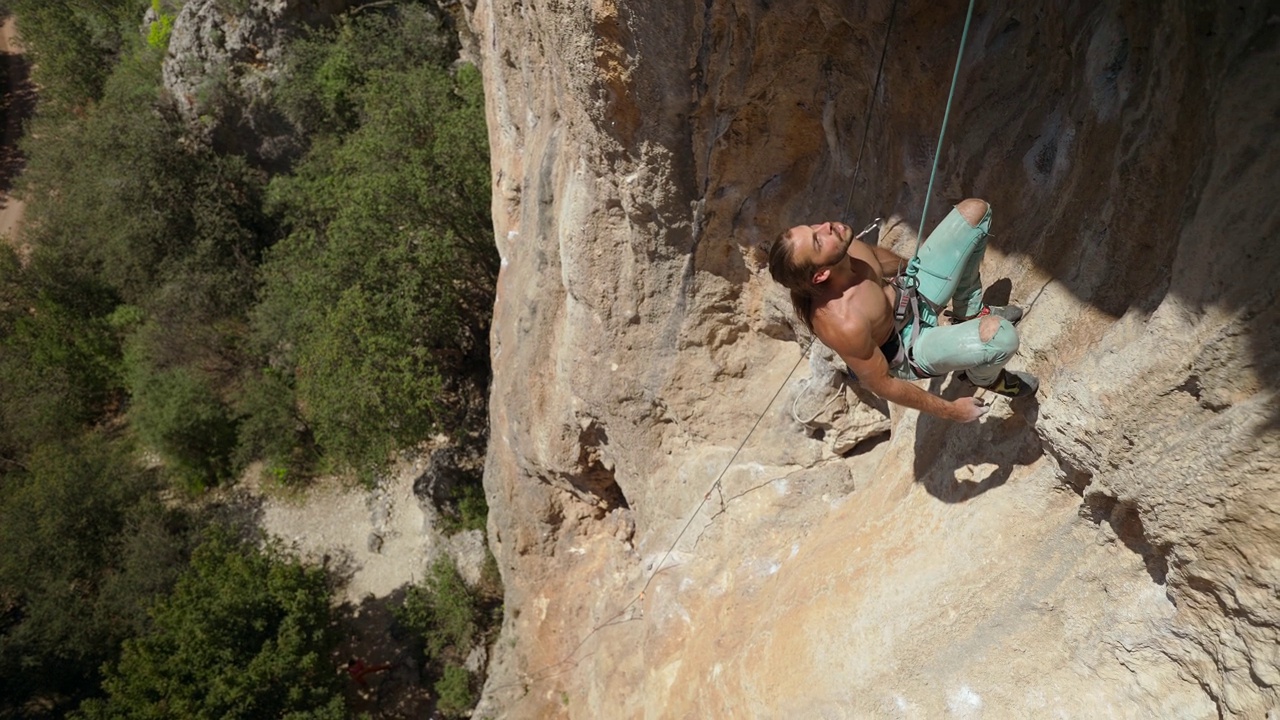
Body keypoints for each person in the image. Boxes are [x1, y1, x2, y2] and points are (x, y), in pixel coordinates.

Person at [766, 198, 1037, 423]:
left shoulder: (849, 249)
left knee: (975, 212)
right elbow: (883, 384)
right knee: (1001, 336)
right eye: (817, 241)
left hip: (913, 295)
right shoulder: (842, 323)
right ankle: (986, 377)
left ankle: (970, 310)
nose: (826, 226)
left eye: (813, 227)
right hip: (912, 347)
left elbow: (897, 265)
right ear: (821, 275)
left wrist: (939, 266)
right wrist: (952, 410)